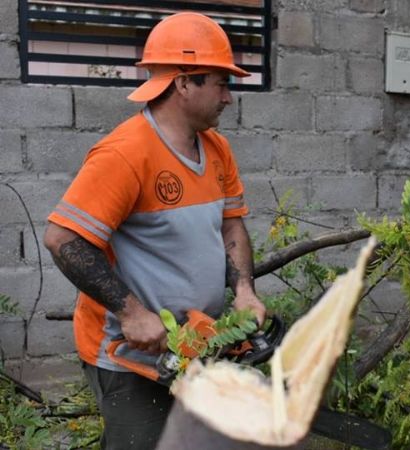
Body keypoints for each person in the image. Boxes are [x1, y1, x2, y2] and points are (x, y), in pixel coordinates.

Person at [43, 12, 267, 449]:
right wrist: (131, 313)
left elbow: (231, 225)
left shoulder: (217, 148)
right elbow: (62, 238)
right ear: (184, 82)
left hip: (194, 343)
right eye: (221, 83)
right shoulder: (125, 154)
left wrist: (244, 291)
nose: (229, 97)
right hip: (130, 356)